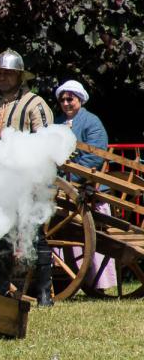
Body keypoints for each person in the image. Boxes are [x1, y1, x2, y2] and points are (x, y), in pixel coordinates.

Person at [0, 49, 54, 302]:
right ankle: (1, 290)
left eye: (8, 73)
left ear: (20, 76)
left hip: (27, 181)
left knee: (36, 235)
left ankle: (44, 293)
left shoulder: (35, 104)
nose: (3, 77)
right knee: (0, 237)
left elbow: (45, 143)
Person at [55, 79, 117, 295]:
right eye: (62, 99)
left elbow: (95, 156)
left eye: (70, 99)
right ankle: (62, 278)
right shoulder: (57, 123)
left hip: (88, 189)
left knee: (96, 240)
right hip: (64, 190)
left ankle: (99, 284)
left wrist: (71, 177)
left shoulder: (92, 122)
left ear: (80, 99)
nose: (65, 103)